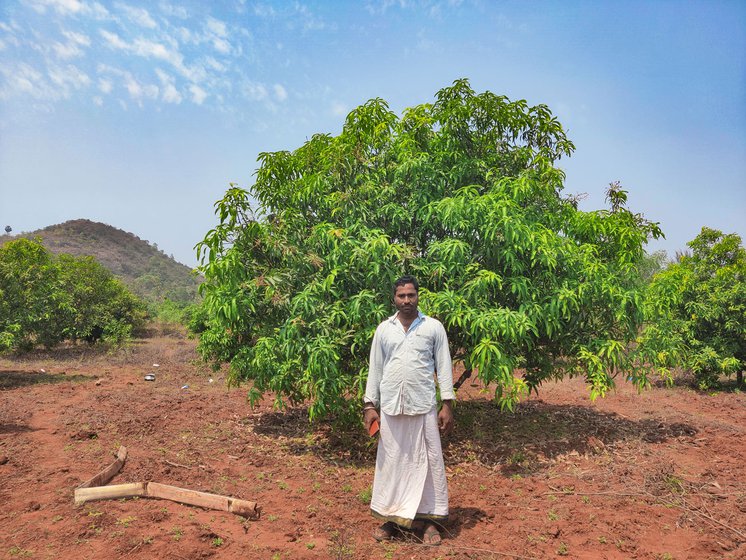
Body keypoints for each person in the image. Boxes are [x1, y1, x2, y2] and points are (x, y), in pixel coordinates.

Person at [363, 275, 455, 546]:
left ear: (418, 296)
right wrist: (370, 405)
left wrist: (447, 403)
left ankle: (429, 522)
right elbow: (375, 368)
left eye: (411, 295)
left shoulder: (433, 328)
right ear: (394, 299)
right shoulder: (384, 329)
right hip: (391, 408)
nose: (406, 300)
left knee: (428, 464)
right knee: (392, 464)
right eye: (401, 296)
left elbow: (445, 366)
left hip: (424, 406)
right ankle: (393, 519)